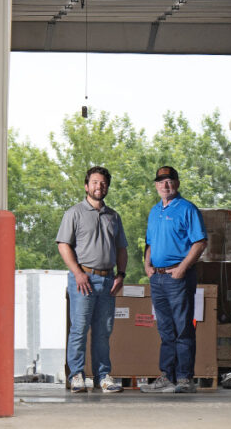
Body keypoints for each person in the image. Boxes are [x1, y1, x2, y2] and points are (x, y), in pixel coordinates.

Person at [56, 165, 128, 394]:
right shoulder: (74, 213)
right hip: (83, 280)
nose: (100, 186)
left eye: (104, 183)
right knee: (79, 329)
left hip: (107, 281)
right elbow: (63, 245)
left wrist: (121, 275)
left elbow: (121, 248)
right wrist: (78, 273)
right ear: (87, 186)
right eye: (95, 182)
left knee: (103, 331)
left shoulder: (113, 216)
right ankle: (77, 375)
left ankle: (103, 376)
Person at [140, 166, 207, 394]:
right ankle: (167, 376)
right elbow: (150, 243)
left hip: (178, 277)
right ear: (156, 185)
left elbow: (199, 242)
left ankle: (185, 379)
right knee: (166, 330)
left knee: (182, 328)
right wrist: (147, 265)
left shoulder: (187, 209)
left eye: (169, 181)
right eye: (161, 181)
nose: (165, 185)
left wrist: (182, 269)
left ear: (176, 183)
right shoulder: (154, 211)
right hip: (157, 279)